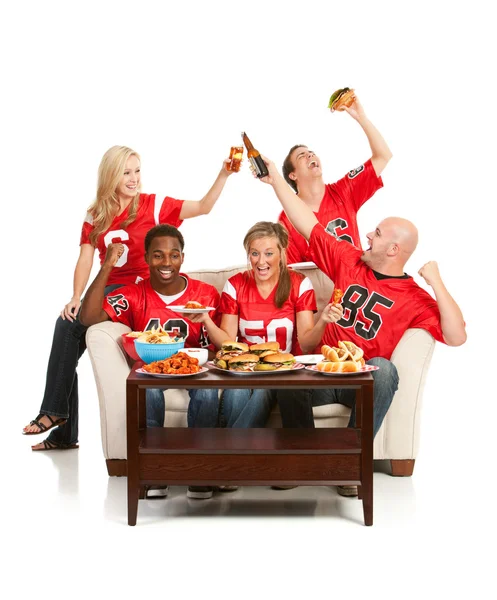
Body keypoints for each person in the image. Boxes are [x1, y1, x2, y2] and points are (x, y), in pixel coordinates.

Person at [258, 155, 467, 496]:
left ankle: (347, 465)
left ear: (394, 249)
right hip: (323, 374)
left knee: (385, 369)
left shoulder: (414, 297)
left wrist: (437, 283)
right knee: (292, 372)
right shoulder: (349, 259)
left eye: (378, 233)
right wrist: (276, 181)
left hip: (363, 382)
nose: (367, 234)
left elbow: (457, 336)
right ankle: (302, 461)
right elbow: (307, 223)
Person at [23, 145, 236, 451]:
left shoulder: (154, 205)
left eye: (137, 171)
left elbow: (203, 207)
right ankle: (61, 426)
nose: (134, 178)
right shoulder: (96, 212)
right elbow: (85, 258)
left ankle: (56, 416)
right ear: (111, 175)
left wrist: (223, 174)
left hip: (141, 290)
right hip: (108, 289)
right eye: (126, 172)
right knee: (68, 326)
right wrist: (75, 296)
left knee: (69, 331)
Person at [80, 224, 223, 499]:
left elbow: (217, 347)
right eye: (158, 255)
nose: (166, 262)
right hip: (152, 369)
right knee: (149, 392)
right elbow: (88, 318)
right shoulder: (134, 294)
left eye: (174, 254)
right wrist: (108, 265)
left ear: (182, 257)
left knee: (206, 393)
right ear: (146, 258)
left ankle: (199, 470)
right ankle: (154, 470)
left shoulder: (205, 294)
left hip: (195, 368)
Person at [187, 221, 343, 430]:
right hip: (245, 371)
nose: (261, 261)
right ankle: (233, 451)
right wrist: (205, 319)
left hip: (286, 370)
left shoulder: (299, 283)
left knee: (264, 388)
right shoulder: (235, 284)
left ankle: (228, 448)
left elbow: (306, 344)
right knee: (237, 390)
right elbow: (227, 342)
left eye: (269, 253)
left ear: (282, 253)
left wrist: (323, 320)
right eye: (254, 253)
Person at [279, 94, 393, 264]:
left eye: (311, 152)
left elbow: (383, 156)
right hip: (320, 287)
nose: (310, 154)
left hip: (357, 282)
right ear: (293, 175)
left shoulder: (343, 191)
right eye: (302, 155)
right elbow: (293, 270)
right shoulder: (287, 217)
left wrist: (362, 118)